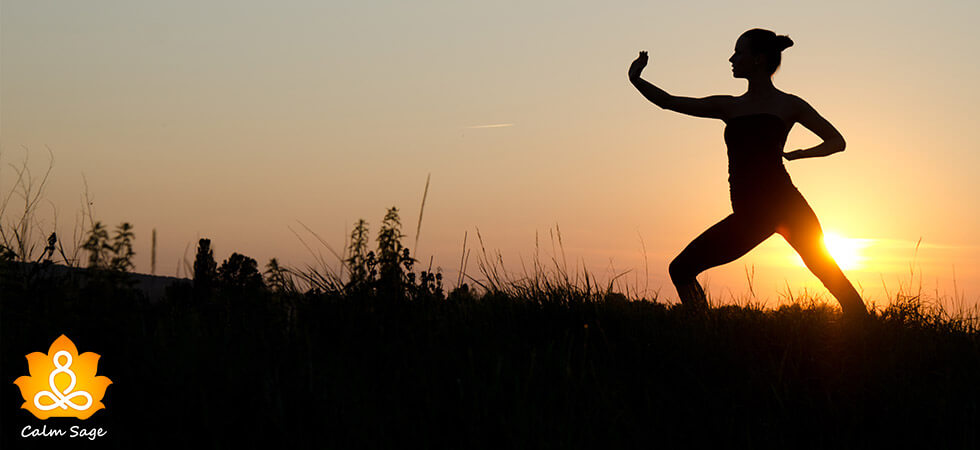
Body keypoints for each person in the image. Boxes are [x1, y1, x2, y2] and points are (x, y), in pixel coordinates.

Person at [628, 28, 868, 317]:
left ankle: (867, 335)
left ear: (757, 59)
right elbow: (670, 102)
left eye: (738, 52)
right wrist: (636, 80)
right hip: (750, 214)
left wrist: (802, 153)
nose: (731, 58)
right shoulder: (729, 105)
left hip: (786, 206)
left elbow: (836, 141)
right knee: (681, 269)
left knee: (831, 276)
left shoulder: (788, 104)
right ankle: (704, 333)